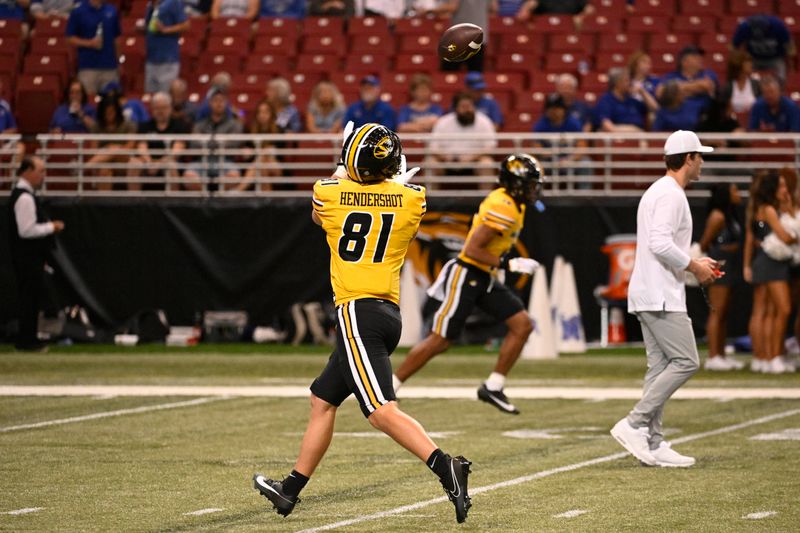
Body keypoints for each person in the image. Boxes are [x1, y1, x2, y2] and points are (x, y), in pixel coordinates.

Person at [253, 123, 472, 524]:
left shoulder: (329, 194)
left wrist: (343, 165)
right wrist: (388, 180)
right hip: (385, 315)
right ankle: (290, 490)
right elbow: (395, 195)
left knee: (379, 410)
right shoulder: (411, 200)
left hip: (356, 313)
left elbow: (322, 213)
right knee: (323, 400)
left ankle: (447, 468)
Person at [393, 154, 543, 414]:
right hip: (467, 273)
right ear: (515, 183)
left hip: (484, 275)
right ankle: (389, 387)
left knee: (522, 325)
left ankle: (493, 386)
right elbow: (472, 249)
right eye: (529, 184)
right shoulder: (503, 205)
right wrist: (509, 264)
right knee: (440, 340)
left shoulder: (514, 204)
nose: (534, 190)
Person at [610, 130, 720, 468]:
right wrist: (694, 267)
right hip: (659, 295)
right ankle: (634, 423)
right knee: (687, 361)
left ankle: (654, 443)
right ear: (689, 158)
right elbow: (659, 243)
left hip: (650, 291)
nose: (702, 161)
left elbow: (659, 245)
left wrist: (696, 266)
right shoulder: (671, 195)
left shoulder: (660, 191)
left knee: (659, 369)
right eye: (699, 156)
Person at [7, 157, 66, 352]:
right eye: (40, 171)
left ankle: (28, 338)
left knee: (31, 298)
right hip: (26, 257)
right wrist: (52, 226)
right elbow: (26, 230)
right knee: (28, 299)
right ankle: (27, 341)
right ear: (27, 171)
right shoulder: (24, 197)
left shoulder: (26, 195)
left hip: (29, 256)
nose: (43, 175)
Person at [744, 171, 796, 374]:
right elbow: (785, 237)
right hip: (770, 263)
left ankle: (765, 357)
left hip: (768, 262)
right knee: (782, 310)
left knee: (768, 312)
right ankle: (773, 357)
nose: (785, 190)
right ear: (773, 188)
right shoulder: (769, 210)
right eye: (781, 186)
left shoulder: (760, 207)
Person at [699, 184, 745, 371]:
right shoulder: (717, 216)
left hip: (730, 266)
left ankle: (721, 355)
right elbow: (704, 243)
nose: (738, 193)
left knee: (723, 312)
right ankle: (713, 356)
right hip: (720, 267)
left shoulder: (728, 214)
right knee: (717, 311)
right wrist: (722, 251)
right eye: (734, 190)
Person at [428, 91, 496, 186]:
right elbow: (433, 148)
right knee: (431, 162)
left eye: (470, 106)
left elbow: (490, 147)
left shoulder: (484, 121)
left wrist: (471, 157)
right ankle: (430, 200)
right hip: (447, 162)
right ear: (456, 109)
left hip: (474, 163)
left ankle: (486, 200)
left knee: (487, 163)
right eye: (463, 107)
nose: (467, 110)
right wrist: (446, 157)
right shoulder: (443, 122)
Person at [184, 86, 243, 191]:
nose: (218, 103)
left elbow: (234, 144)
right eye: (215, 100)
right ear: (210, 103)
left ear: (226, 103)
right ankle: (206, 198)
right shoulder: (199, 125)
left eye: (221, 101)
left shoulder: (235, 125)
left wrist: (206, 142)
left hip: (225, 162)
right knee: (188, 176)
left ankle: (219, 200)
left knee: (234, 176)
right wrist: (220, 142)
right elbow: (194, 144)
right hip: (202, 161)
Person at [128, 91, 190, 191]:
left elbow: (176, 151)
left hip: (169, 161)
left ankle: (173, 203)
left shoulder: (180, 125)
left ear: (170, 108)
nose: (160, 111)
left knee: (170, 164)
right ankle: (134, 202)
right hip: (147, 161)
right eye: (157, 108)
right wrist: (149, 163)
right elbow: (141, 148)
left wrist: (159, 163)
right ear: (152, 109)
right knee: (134, 162)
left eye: (163, 108)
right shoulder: (144, 126)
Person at [531, 93, 590, 188]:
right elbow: (536, 147)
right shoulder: (541, 124)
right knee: (535, 166)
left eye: (557, 108)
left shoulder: (573, 123)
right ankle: (539, 196)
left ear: (563, 109)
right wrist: (553, 156)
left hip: (570, 158)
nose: (553, 111)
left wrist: (570, 159)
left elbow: (582, 146)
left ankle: (585, 196)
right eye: (550, 108)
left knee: (586, 163)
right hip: (549, 159)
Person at [65, 0, 121, 95]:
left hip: (110, 67)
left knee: (110, 101)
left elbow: (117, 39)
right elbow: (70, 38)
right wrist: (89, 43)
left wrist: (119, 61)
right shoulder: (78, 11)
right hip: (88, 67)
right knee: (89, 101)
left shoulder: (112, 10)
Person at [87, 93, 136, 191]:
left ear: (117, 111)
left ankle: (85, 167)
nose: (109, 115)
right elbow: (93, 151)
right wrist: (111, 151)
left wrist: (111, 148)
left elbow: (130, 147)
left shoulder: (128, 125)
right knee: (105, 170)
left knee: (112, 149)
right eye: (106, 112)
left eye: (112, 111)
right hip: (104, 163)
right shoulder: (96, 127)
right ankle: (104, 205)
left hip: (124, 162)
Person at [658, 46, 718, 125]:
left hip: (702, 119)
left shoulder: (707, 74)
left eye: (700, 56)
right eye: (694, 57)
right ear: (684, 61)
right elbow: (660, 92)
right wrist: (696, 87)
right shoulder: (671, 76)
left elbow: (706, 85)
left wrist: (676, 88)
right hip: (673, 115)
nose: (699, 59)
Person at [732, 15, 796, 82]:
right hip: (753, 58)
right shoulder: (744, 27)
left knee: (781, 76)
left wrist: (790, 65)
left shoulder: (779, 26)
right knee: (742, 74)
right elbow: (735, 47)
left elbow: (789, 47)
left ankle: (780, 90)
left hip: (775, 58)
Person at [144, 0, 189, 94]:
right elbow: (149, 26)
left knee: (165, 97)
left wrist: (166, 30)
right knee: (151, 97)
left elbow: (186, 25)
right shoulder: (151, 4)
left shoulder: (173, 2)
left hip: (168, 60)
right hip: (151, 59)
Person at [237, 98, 280, 191]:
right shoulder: (250, 130)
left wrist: (257, 152)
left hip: (275, 167)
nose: (262, 115)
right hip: (258, 167)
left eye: (265, 112)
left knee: (263, 160)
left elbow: (276, 152)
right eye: (259, 112)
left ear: (271, 114)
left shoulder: (279, 130)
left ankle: (238, 190)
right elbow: (246, 154)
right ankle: (267, 201)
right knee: (261, 168)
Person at [593, 67, 648, 132]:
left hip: (640, 137)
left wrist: (642, 91)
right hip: (618, 138)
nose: (630, 83)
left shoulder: (632, 101)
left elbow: (655, 109)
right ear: (617, 83)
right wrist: (635, 130)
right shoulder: (606, 100)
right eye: (626, 80)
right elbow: (608, 127)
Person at [721, 49, 760, 117]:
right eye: (748, 62)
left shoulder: (756, 85)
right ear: (739, 65)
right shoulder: (728, 88)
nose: (751, 64)